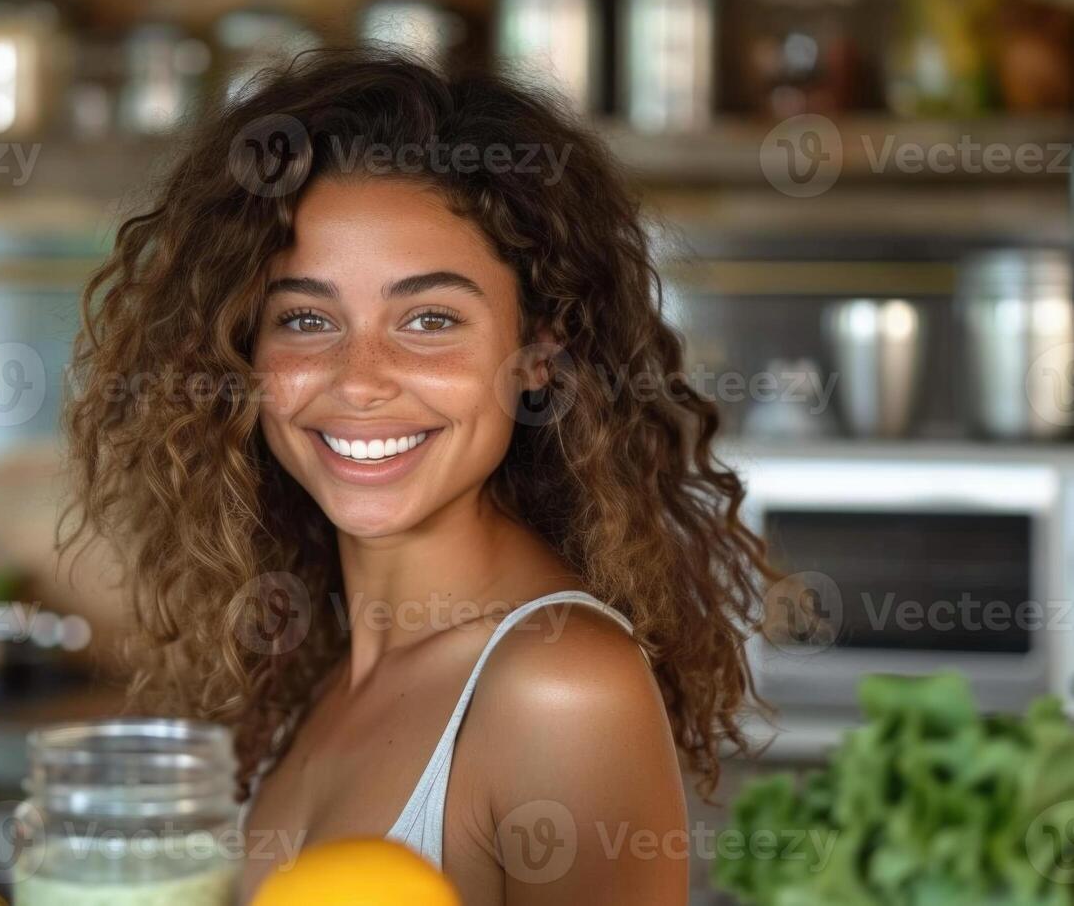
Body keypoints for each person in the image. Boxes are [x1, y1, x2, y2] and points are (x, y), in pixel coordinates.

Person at [61, 49, 773, 905]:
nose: (360, 379)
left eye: (430, 319)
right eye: (307, 318)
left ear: (537, 354)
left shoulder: (562, 687)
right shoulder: (304, 668)